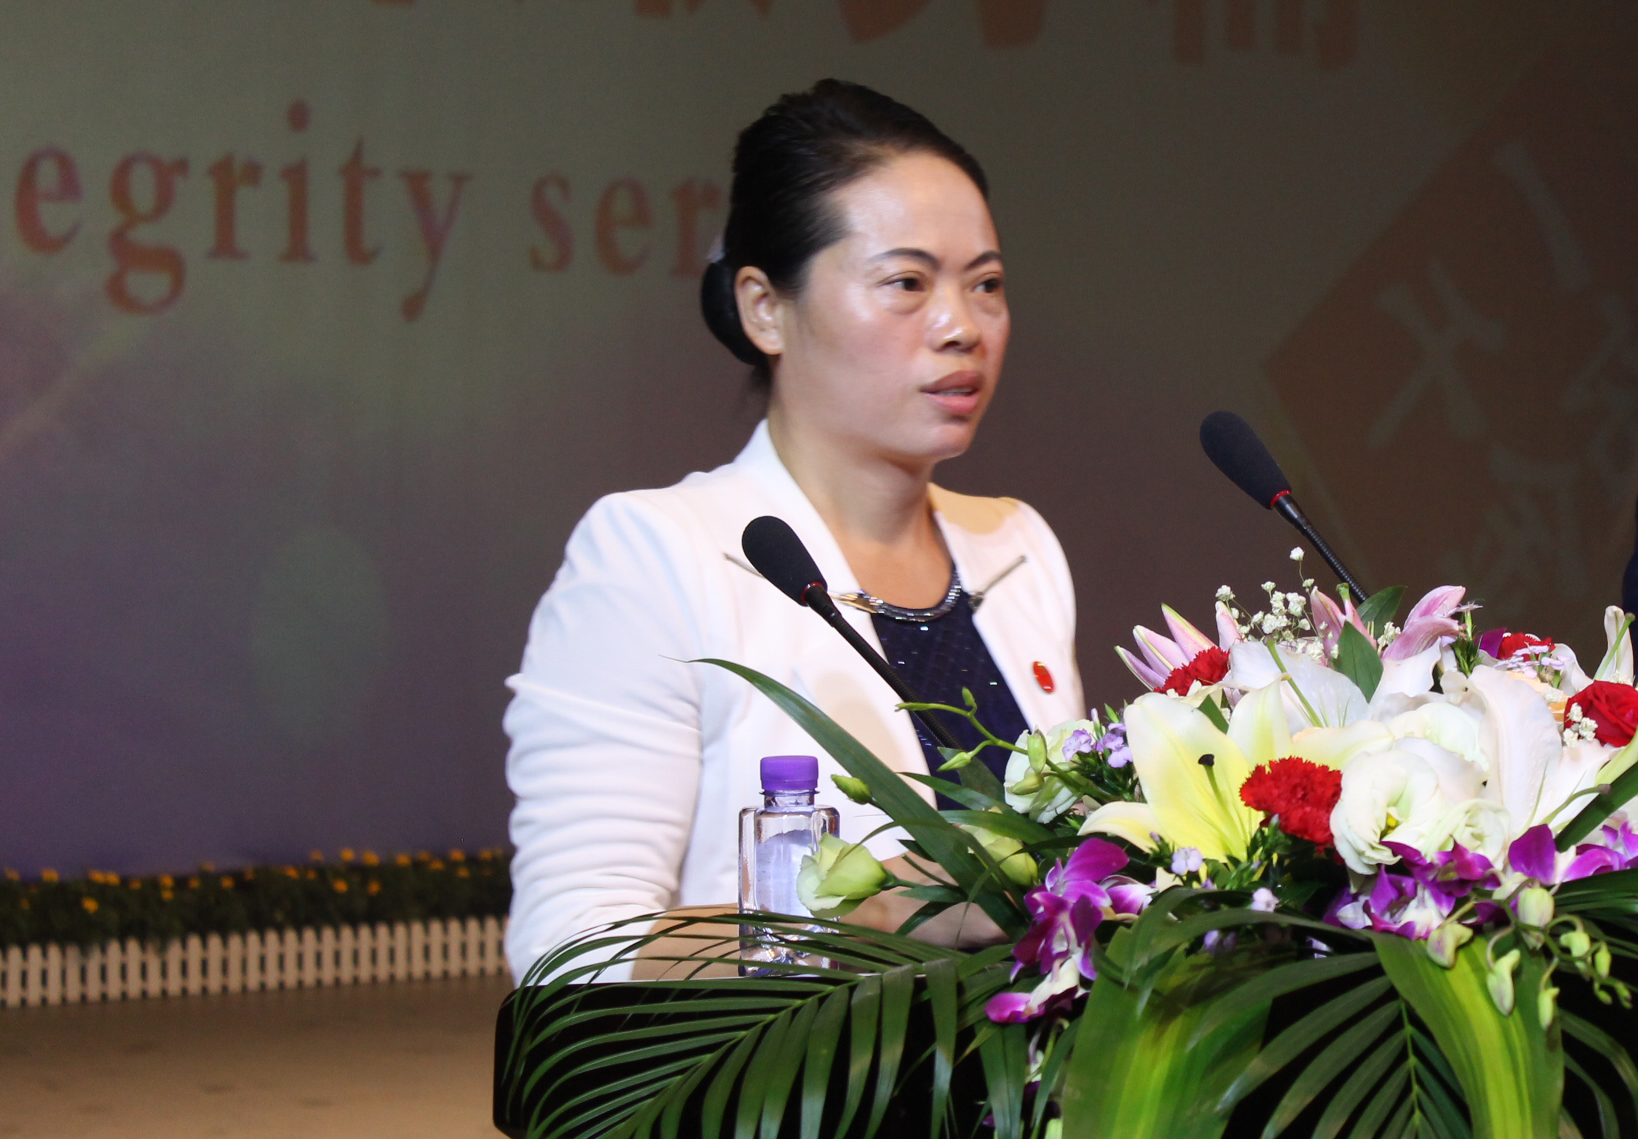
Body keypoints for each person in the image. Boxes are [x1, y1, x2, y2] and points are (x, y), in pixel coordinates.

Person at [504, 79, 1084, 984]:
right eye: (906, 283)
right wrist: (877, 913)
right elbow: (567, 948)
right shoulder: (657, 554)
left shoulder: (1018, 547)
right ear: (765, 308)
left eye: (987, 285)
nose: (961, 326)